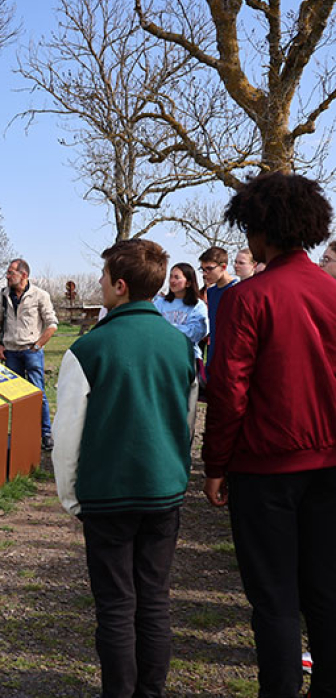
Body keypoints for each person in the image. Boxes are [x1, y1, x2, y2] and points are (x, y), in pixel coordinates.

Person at [203, 172, 336, 698]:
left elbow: (229, 390)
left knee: (275, 598)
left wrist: (216, 465)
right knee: (326, 592)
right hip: (330, 464)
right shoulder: (332, 291)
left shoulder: (247, 298)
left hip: (265, 469)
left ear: (261, 229)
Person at [53, 238, 198, 698]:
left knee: (116, 605)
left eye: (102, 278)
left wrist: (70, 494)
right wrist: (178, 471)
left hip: (109, 494)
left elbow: (68, 435)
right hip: (163, 489)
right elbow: (187, 421)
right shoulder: (181, 347)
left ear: (119, 285)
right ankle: (149, 692)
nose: (98, 284)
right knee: (154, 599)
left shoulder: (88, 349)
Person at [0, 258, 58, 450]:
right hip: (10, 353)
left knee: (38, 394)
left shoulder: (40, 295)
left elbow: (52, 324)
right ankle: (22, 434)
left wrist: (37, 345)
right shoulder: (3, 295)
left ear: (24, 275)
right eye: (8, 272)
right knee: (16, 397)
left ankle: (46, 434)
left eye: (11, 272)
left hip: (31, 352)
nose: (7, 276)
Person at [152, 262, 209, 364]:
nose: (172, 281)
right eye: (171, 277)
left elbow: (197, 333)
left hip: (187, 357)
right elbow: (152, 328)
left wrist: (166, 328)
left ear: (188, 283)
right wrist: (181, 329)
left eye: (177, 277)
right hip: (161, 356)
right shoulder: (159, 303)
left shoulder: (197, 305)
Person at [198, 246, 238, 364]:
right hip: (212, 357)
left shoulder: (237, 291)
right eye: (203, 269)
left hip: (231, 358)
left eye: (209, 269)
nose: (205, 274)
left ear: (223, 267)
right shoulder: (210, 292)